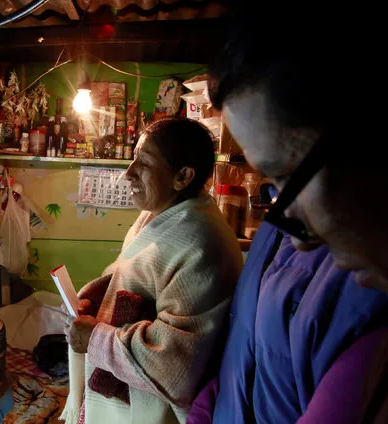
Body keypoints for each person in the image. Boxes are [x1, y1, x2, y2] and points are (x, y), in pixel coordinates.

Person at [187, 1, 388, 422]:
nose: (300, 239)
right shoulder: (272, 236)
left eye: (287, 176)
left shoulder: (366, 298)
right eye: (274, 186)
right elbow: (238, 359)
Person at [62, 118, 244, 424]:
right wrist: (96, 298)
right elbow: (132, 274)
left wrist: (95, 338)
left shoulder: (200, 242)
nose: (129, 173)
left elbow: (174, 364)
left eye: (143, 163)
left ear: (183, 176)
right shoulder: (159, 215)